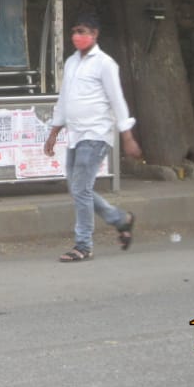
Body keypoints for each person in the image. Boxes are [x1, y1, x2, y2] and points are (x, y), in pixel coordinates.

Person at [43, 13, 142, 263]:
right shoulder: (71, 63)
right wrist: (53, 132)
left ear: (95, 34)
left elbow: (117, 100)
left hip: (96, 134)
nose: (77, 36)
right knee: (78, 189)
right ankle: (121, 219)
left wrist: (127, 135)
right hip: (76, 134)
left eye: (83, 31)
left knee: (80, 189)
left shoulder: (105, 64)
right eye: (75, 31)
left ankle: (83, 245)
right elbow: (64, 99)